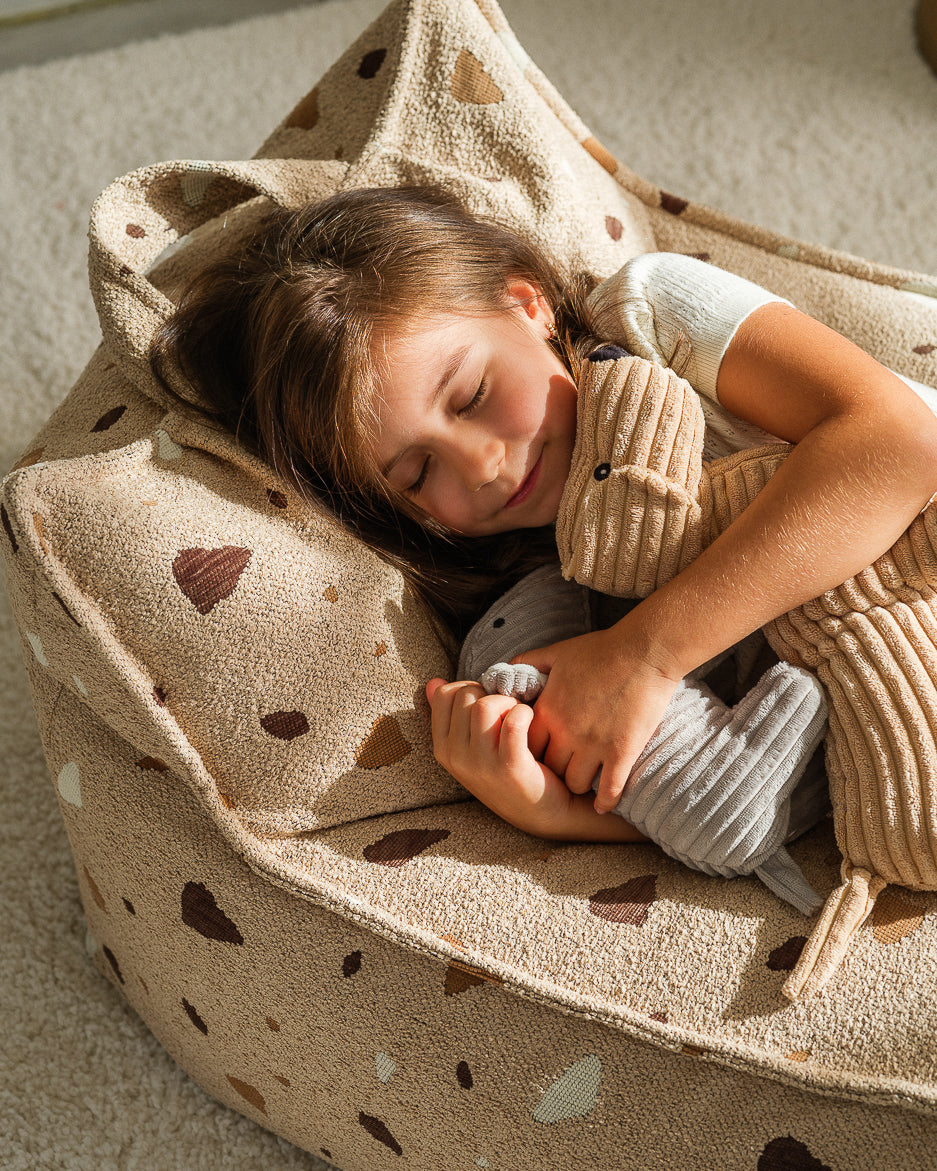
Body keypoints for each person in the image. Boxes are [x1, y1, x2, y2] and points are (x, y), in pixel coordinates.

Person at [150, 183, 937, 848]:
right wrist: (551, 810)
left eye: (472, 396)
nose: (484, 467)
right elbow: (763, 794)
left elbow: (899, 440)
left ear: (525, 303)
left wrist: (645, 653)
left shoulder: (651, 315)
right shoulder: (537, 599)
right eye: (419, 472)